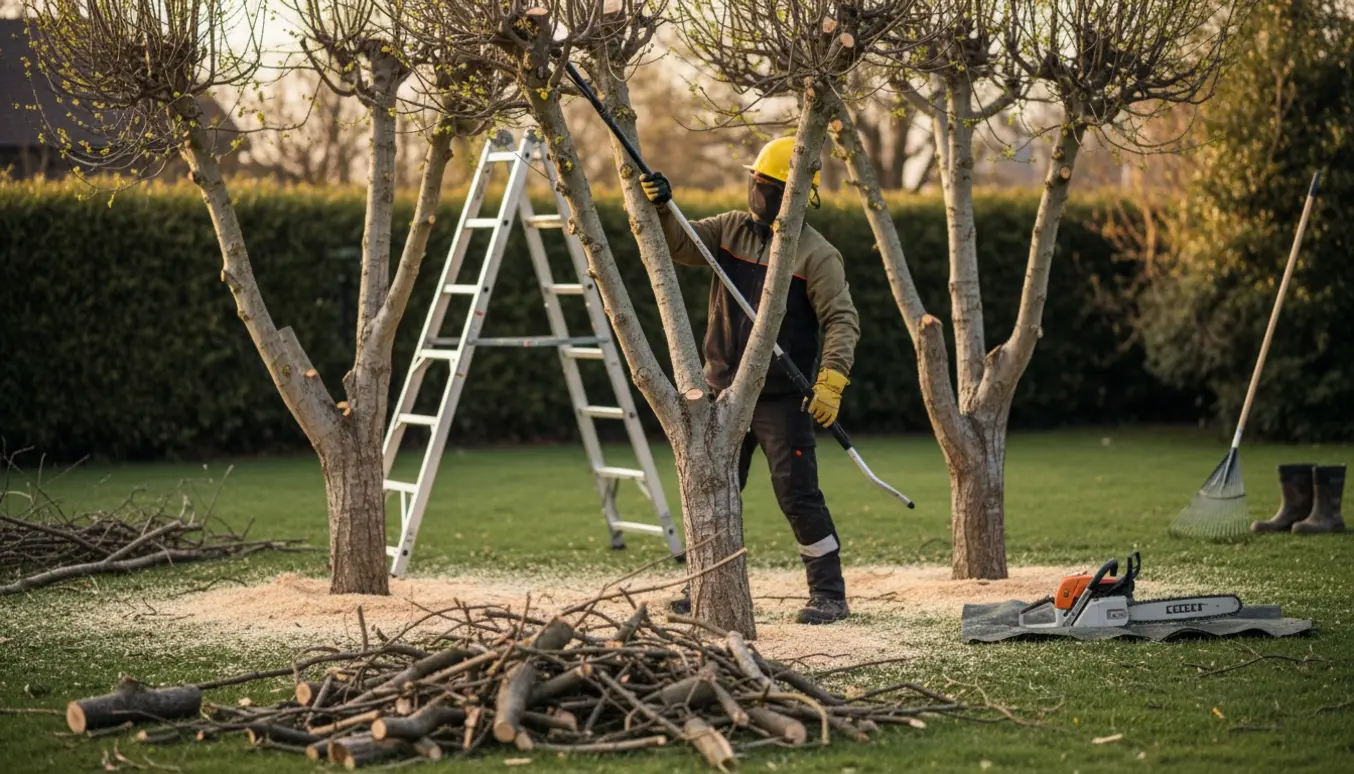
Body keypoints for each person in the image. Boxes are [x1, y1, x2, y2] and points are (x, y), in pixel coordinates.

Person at [638, 136, 860, 625]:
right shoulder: (729, 229)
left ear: (795, 193)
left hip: (782, 399)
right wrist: (661, 205)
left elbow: (842, 320)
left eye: (767, 184)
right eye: (754, 180)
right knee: (714, 489)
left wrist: (832, 380)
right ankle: (708, 589)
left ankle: (829, 595)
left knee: (797, 495)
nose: (755, 189)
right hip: (720, 392)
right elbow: (680, 243)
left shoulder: (817, 254)